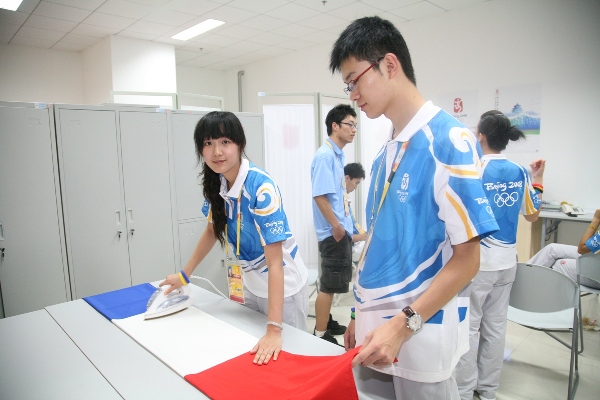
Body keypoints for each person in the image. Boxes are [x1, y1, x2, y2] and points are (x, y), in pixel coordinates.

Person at [330, 16, 499, 399]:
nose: (353, 95)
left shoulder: (448, 141)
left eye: (355, 81)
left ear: (390, 65)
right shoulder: (387, 151)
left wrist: (402, 325)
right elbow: (376, 245)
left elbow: (468, 260)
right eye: (347, 85)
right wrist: (358, 313)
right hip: (377, 335)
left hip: (419, 339)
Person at [160, 111, 308, 366]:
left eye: (225, 142)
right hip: (250, 284)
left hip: (283, 290)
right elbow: (211, 231)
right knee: (251, 354)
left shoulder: (261, 188)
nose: (217, 151)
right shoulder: (218, 183)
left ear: (240, 144)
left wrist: (274, 329)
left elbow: (275, 263)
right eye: (208, 143)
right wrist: (184, 275)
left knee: (287, 360)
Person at [455, 111, 545, 400]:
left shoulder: (474, 170)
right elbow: (532, 216)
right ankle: (488, 390)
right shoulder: (519, 171)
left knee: (469, 327)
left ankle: (464, 391)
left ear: (480, 136)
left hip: (478, 264)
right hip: (507, 263)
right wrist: (539, 179)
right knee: (495, 328)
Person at [311, 104, 358, 344]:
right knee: (328, 286)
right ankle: (320, 334)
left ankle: (325, 323)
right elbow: (319, 196)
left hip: (340, 230)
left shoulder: (338, 155)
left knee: (333, 283)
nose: (354, 129)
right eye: (350, 124)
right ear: (335, 126)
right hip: (333, 232)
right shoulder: (325, 156)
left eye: (356, 125)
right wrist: (336, 227)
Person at [527, 208, 600, 289]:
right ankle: (524, 277)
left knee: (558, 264)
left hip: (596, 275)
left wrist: (596, 220)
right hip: (595, 260)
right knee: (552, 249)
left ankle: (527, 286)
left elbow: (581, 249)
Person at [344, 162, 367, 243]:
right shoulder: (338, 201)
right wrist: (363, 237)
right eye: (356, 183)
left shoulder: (345, 199)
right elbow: (342, 233)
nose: (355, 187)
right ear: (347, 178)